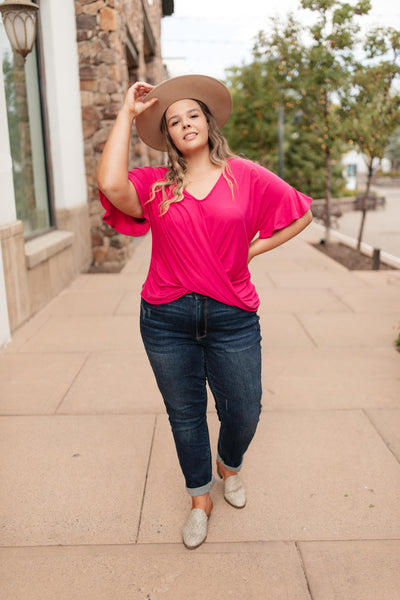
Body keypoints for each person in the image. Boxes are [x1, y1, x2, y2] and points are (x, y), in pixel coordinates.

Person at [97, 75, 313, 550]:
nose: (185, 123)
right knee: (185, 414)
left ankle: (229, 465)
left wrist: (255, 249)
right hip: (166, 319)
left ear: (208, 123)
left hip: (232, 315)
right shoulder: (155, 186)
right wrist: (128, 114)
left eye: (192, 114)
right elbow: (110, 184)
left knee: (244, 408)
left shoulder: (246, 175)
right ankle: (200, 499)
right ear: (169, 136)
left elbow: (302, 213)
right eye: (174, 121)